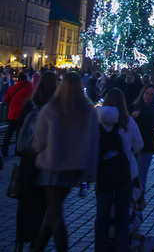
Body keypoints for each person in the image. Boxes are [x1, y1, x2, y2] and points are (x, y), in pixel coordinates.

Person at [33, 71, 99, 252]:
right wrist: (88, 175)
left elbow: (38, 142)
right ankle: (37, 248)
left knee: (54, 212)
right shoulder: (88, 111)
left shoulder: (51, 108)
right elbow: (93, 144)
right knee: (53, 210)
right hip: (73, 168)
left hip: (51, 166)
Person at [14, 71, 58, 252]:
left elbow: (18, 127)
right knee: (40, 204)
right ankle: (34, 240)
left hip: (27, 161)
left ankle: (18, 242)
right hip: (45, 163)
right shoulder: (56, 107)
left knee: (23, 203)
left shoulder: (31, 104)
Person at [95, 88, 143, 252]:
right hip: (124, 173)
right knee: (123, 216)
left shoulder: (97, 121)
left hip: (102, 173)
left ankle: (100, 248)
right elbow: (139, 146)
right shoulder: (128, 121)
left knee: (102, 215)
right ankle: (122, 248)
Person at [131, 82, 154, 193]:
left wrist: (140, 117)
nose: (148, 96)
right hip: (132, 145)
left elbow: (153, 127)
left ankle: (138, 200)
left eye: (151, 94)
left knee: (141, 175)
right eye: (146, 93)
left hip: (146, 146)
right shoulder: (133, 107)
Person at [2, 72, 33, 156]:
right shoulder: (29, 89)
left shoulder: (12, 88)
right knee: (20, 133)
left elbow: (6, 100)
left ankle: (5, 148)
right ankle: (17, 149)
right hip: (23, 115)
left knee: (9, 132)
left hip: (12, 114)